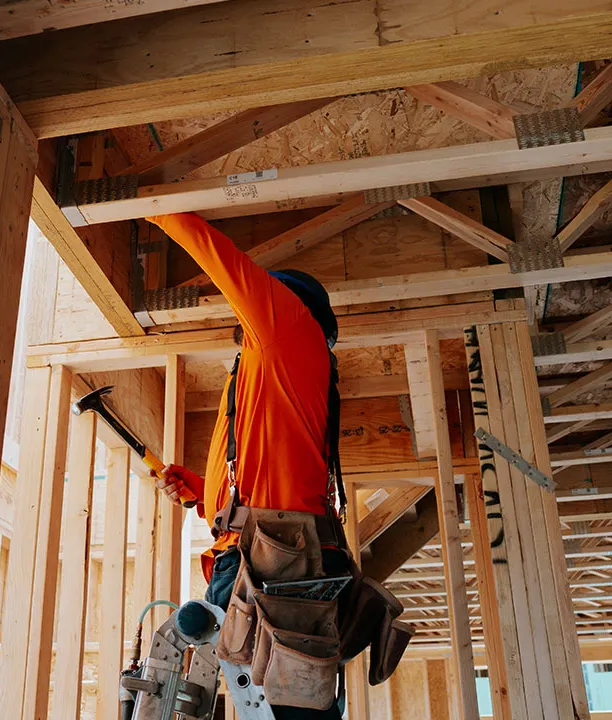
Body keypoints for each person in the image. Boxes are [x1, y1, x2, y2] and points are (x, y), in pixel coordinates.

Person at [145, 212, 347, 719]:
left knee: (288, 710)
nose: (245, 320)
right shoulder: (270, 372)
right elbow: (266, 475)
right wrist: (201, 492)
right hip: (261, 563)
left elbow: (226, 263)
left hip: (272, 570)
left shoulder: (289, 334)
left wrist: (155, 206)